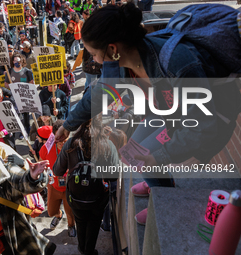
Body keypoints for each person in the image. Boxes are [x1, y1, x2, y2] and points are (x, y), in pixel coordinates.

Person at [56, 3, 241, 225]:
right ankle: (158, 184)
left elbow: (202, 127)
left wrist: (160, 157)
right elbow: (99, 93)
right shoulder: (121, 62)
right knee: (134, 150)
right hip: (167, 109)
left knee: (146, 157)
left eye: (94, 54)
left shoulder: (177, 64)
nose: (94, 60)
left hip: (201, 119)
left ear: (113, 49)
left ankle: (166, 203)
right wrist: (68, 125)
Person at [53, 116, 119, 255]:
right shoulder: (108, 145)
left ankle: (82, 249)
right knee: (94, 224)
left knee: (80, 221)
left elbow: (57, 170)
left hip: (75, 197)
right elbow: (113, 176)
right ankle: (88, 251)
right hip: (98, 198)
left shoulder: (70, 144)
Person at [39, 120, 76, 237]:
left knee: (70, 213)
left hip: (69, 188)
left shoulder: (75, 148)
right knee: (50, 211)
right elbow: (41, 161)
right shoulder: (47, 147)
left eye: (64, 140)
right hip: (53, 185)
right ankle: (59, 215)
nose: (61, 143)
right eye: (58, 139)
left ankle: (71, 226)